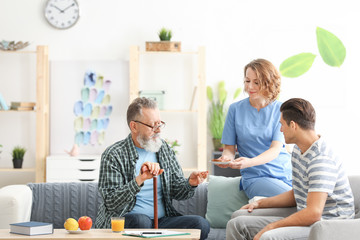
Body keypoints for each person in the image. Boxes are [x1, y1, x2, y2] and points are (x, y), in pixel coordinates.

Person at [226, 98, 355, 240]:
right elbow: (297, 194)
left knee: (268, 236)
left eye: (282, 125)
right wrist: (259, 203)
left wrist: (272, 226)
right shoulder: (298, 151)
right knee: (237, 222)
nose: (280, 129)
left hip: (328, 226)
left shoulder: (321, 159)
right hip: (308, 216)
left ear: (293, 125)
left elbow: (314, 213)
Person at [95, 97, 210, 240]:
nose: (158, 130)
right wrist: (139, 180)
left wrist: (190, 183)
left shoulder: (164, 149)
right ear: (134, 126)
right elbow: (111, 202)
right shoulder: (114, 154)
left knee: (200, 224)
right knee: (141, 221)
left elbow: (177, 191)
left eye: (159, 124)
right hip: (127, 222)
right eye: (152, 125)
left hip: (160, 222)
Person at [216, 59, 292, 199]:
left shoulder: (281, 110)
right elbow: (229, 148)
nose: (250, 86)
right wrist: (226, 158)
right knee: (298, 200)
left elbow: (275, 150)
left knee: (310, 201)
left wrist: (248, 162)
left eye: (256, 82)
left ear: (268, 83)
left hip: (286, 174)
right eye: (247, 81)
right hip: (256, 177)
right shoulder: (235, 109)